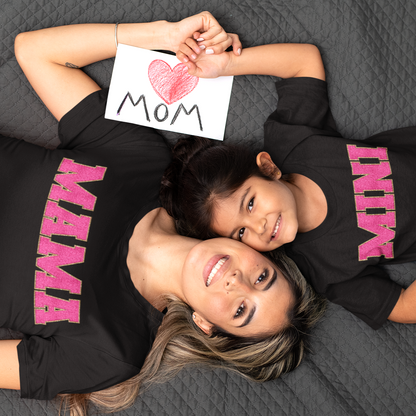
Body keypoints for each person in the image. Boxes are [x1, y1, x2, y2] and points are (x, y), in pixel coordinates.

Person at [0, 12, 326, 416]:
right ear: (257, 252)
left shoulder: (113, 353)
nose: (235, 282)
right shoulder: (146, 165)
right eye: (261, 277)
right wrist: (166, 36)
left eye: (241, 311)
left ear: (208, 326)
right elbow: (35, 52)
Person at [162, 40, 416, 331]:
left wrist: (227, 65)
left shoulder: (294, 144)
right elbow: (400, 306)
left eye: (251, 203)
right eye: (241, 232)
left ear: (268, 169)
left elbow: (303, 62)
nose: (259, 227)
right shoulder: (320, 270)